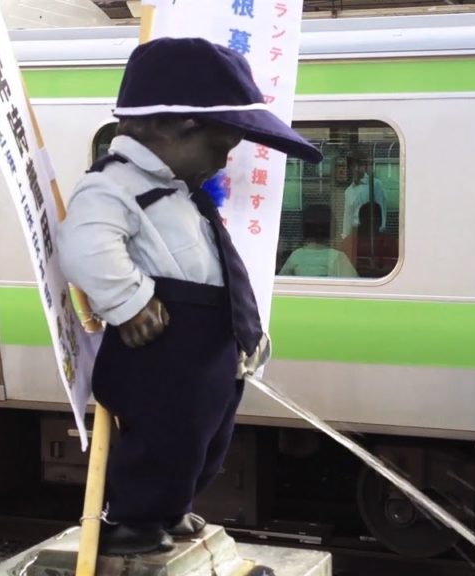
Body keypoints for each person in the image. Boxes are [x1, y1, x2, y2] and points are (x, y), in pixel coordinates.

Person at [57, 37, 322, 557]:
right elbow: (85, 244)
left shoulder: (179, 192)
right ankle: (137, 519)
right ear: (178, 127)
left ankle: (170, 507)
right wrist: (128, 301)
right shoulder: (112, 187)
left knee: (207, 438)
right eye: (220, 147)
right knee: (166, 436)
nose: (224, 161)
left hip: (206, 344)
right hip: (163, 346)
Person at [279, 204, 357, 278]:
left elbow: (280, 283)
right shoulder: (337, 257)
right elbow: (355, 285)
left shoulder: (296, 256)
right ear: (331, 228)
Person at [340, 152, 387, 241]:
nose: (357, 169)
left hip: (372, 235)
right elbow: (347, 217)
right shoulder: (348, 191)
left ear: (365, 166)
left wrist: (380, 235)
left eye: (360, 165)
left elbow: (381, 210)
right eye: (353, 166)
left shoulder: (375, 185)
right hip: (355, 236)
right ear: (350, 168)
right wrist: (346, 238)